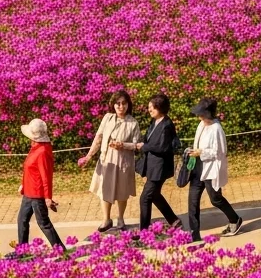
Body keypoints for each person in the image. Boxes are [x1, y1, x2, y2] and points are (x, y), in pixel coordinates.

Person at [76, 90, 140, 232]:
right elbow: (98, 138)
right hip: (107, 159)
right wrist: (88, 156)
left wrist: (123, 145)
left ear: (128, 105)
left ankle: (121, 218)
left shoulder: (133, 122)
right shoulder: (107, 118)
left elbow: (137, 145)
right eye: (118, 104)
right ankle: (106, 219)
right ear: (113, 105)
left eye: (124, 103)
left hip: (123, 161)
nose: (121, 106)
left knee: (122, 191)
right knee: (105, 189)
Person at [186, 97, 244, 242]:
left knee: (215, 199)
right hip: (198, 167)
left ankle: (234, 219)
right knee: (192, 200)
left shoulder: (216, 128)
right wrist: (193, 152)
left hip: (210, 168)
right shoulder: (201, 125)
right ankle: (194, 234)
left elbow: (219, 151)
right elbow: (197, 142)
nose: (199, 117)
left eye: (202, 114)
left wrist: (201, 152)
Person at [123, 93, 181, 231]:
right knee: (154, 195)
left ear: (160, 107)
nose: (149, 109)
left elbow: (162, 147)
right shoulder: (154, 122)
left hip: (159, 168)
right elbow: (148, 139)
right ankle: (174, 220)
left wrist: (144, 146)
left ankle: (144, 230)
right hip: (152, 166)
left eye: (152, 107)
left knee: (145, 197)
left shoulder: (166, 125)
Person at [16, 118, 65, 252]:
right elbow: (29, 169)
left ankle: (60, 250)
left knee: (43, 223)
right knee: (22, 220)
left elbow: (46, 176)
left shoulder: (42, 151)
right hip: (28, 192)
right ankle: (22, 250)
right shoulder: (35, 147)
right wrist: (23, 185)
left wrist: (47, 197)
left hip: (37, 194)